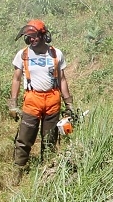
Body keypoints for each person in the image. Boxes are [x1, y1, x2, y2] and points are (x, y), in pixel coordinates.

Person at [8, 19, 73, 174]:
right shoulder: (23, 55)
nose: (32, 40)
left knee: (49, 139)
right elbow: (16, 79)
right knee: (24, 139)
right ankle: (18, 169)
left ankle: (47, 170)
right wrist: (13, 104)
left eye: (35, 36)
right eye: (29, 37)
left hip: (52, 99)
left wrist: (69, 103)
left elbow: (62, 79)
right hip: (32, 99)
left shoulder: (56, 54)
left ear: (44, 35)